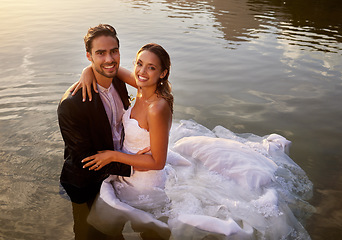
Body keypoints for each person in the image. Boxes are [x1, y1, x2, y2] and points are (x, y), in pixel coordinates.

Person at [74, 45, 315, 239]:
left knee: (151, 231)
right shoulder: (140, 85)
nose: (141, 71)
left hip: (145, 183)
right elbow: (111, 69)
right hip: (128, 170)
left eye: (151, 67)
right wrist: (87, 71)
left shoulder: (157, 108)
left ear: (163, 73)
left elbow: (158, 162)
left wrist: (112, 155)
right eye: (139, 64)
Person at [57, 24, 147, 240]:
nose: (109, 59)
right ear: (88, 55)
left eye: (113, 51)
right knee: (91, 234)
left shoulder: (118, 79)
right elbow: (85, 160)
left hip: (119, 174)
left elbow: (153, 84)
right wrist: (137, 164)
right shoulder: (71, 104)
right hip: (88, 184)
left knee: (116, 234)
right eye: (100, 53)